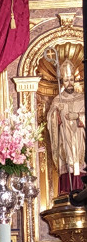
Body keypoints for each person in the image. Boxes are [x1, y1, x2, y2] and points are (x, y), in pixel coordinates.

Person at [47, 60, 85, 194]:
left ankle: (81, 189)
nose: (69, 83)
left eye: (71, 79)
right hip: (65, 138)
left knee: (80, 161)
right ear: (62, 81)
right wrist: (55, 114)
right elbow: (50, 121)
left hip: (79, 138)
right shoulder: (58, 100)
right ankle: (67, 190)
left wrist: (78, 116)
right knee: (67, 160)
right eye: (66, 80)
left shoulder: (82, 98)